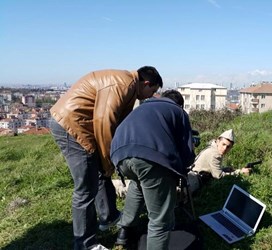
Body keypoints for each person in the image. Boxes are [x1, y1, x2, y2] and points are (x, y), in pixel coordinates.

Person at [50, 66, 163, 250]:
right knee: (85, 188)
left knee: (100, 172)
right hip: (72, 125)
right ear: (147, 83)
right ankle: (85, 244)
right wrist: (110, 159)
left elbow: (118, 122)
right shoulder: (123, 85)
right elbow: (104, 122)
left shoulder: (130, 85)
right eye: (153, 91)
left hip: (83, 124)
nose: (151, 95)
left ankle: (108, 216)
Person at [111, 90, 195, 250]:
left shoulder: (144, 107)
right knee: (160, 221)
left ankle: (124, 232)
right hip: (149, 157)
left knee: (138, 184)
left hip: (119, 155)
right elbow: (187, 155)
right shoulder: (178, 112)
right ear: (180, 105)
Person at [187, 129, 251, 193]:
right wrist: (240, 172)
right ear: (218, 141)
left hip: (192, 178)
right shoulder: (215, 154)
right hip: (194, 182)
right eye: (223, 144)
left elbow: (211, 168)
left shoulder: (213, 148)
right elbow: (219, 176)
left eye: (228, 147)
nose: (225, 148)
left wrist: (224, 169)